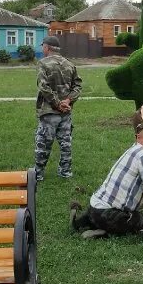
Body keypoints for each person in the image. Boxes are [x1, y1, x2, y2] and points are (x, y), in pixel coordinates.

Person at [70, 122, 143, 237]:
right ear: (138, 137)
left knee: (111, 217)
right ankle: (103, 232)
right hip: (109, 213)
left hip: (95, 207)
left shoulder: (134, 150)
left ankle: (83, 222)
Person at [33, 35, 82, 181]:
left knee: (43, 143)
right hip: (66, 112)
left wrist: (56, 103)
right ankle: (65, 172)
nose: (42, 48)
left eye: (43, 46)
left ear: (47, 47)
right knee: (65, 143)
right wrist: (67, 101)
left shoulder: (43, 64)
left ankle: (38, 174)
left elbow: (43, 86)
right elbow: (78, 86)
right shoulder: (69, 64)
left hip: (49, 112)